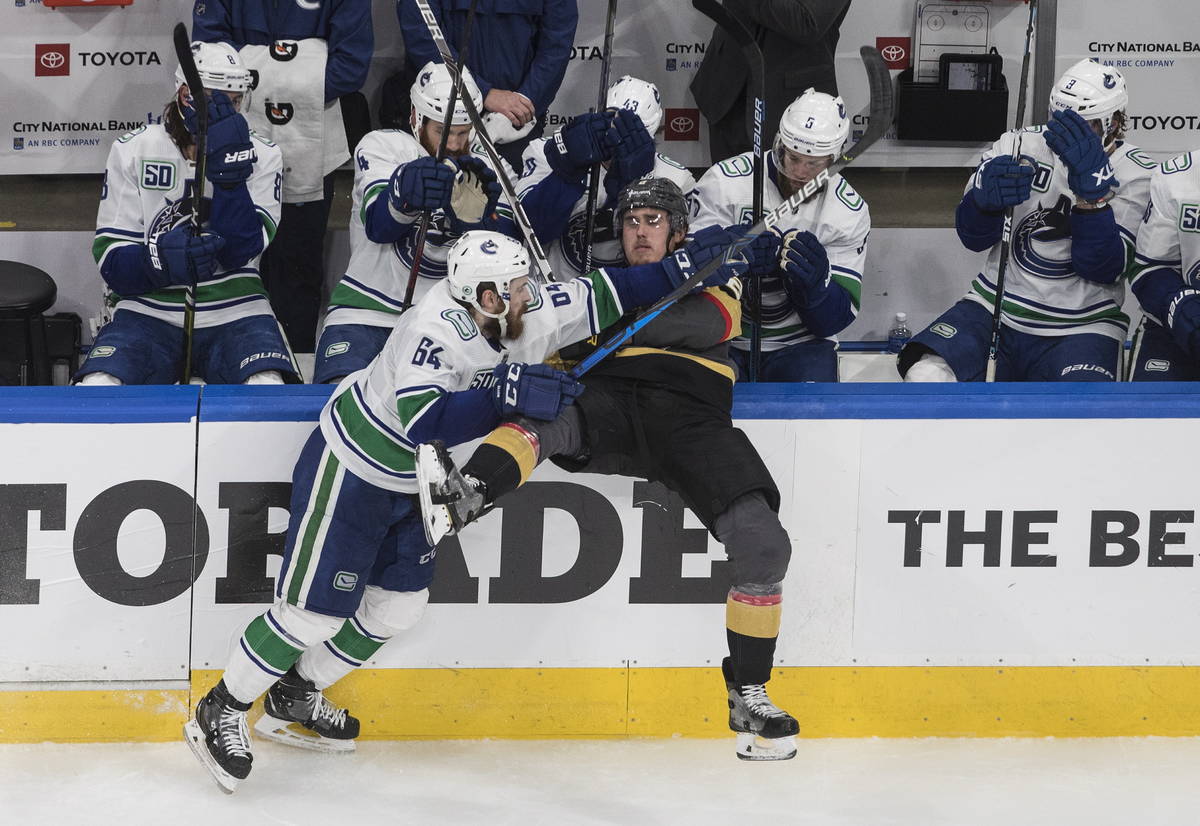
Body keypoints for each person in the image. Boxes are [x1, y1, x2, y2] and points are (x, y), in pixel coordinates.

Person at [183, 227, 748, 792]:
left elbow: (607, 292)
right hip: (355, 469)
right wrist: (505, 395)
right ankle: (220, 708)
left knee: (397, 609)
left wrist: (678, 272)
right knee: (312, 614)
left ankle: (296, 691)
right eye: (518, 289)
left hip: (416, 479)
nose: (531, 294)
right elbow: (423, 420)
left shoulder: (518, 307)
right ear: (486, 298)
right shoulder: (435, 330)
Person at [413, 177, 801, 761]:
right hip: (609, 401)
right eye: (630, 222)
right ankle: (467, 493)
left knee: (765, 546)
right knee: (544, 417)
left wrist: (601, 322)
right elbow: (541, 340)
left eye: (653, 221)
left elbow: (702, 325)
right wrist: (601, 315)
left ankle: (749, 690)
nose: (640, 232)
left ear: (678, 232)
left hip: (691, 416)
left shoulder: (718, 277)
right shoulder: (600, 287)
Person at [899, 59, 1154, 383]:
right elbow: (972, 238)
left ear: (1115, 122)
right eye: (1062, 121)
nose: (1068, 135)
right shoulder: (1017, 145)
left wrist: (1092, 199)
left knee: (1081, 412)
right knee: (925, 377)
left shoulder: (1137, 171)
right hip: (994, 307)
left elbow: (1103, 268)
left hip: (1083, 324)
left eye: (1084, 125)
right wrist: (983, 203)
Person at [77, 42, 296, 386]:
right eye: (217, 100)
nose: (229, 110)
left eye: (235, 101)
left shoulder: (264, 154)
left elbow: (242, 251)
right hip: (146, 310)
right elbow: (111, 260)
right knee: (99, 387)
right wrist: (158, 261)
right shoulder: (133, 149)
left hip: (238, 309)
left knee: (267, 386)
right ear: (184, 96)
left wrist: (229, 178)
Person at [194, 0, 373, 354]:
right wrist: (306, 58)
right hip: (229, 130)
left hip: (311, 145)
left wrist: (255, 65)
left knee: (298, 263)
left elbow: (349, 69)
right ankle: (232, 356)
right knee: (230, 257)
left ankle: (295, 358)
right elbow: (207, 56)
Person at [313, 62, 510, 384]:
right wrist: (405, 196)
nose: (455, 144)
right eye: (443, 132)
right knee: (340, 401)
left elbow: (509, 255)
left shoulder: (489, 166)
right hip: (366, 312)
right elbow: (379, 227)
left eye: (464, 132)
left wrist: (480, 225)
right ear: (416, 118)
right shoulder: (384, 146)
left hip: (448, 322)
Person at [691, 88, 869, 382]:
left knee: (813, 410)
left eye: (813, 164)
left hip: (801, 345)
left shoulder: (847, 211)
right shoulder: (726, 181)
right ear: (778, 146)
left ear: (834, 160)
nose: (799, 173)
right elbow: (686, 269)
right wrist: (733, 253)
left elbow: (836, 319)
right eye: (792, 158)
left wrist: (815, 288)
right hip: (722, 336)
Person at [517, 75, 697, 281]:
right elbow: (526, 232)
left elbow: (682, 259)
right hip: (557, 289)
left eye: (633, 131)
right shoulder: (548, 151)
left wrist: (637, 185)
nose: (620, 138)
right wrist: (565, 174)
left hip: (635, 299)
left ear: (652, 132)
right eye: (615, 123)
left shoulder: (678, 179)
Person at [397, 0, 578, 169]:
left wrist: (523, 103)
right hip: (442, 115)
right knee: (432, 195)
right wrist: (483, 92)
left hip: (514, 123)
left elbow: (557, 43)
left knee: (510, 199)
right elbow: (422, 34)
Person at [691, 0, 851, 165]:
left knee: (781, 186)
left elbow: (805, 23)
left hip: (789, 104)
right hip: (725, 89)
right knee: (724, 183)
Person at [1128, 149, 1200, 380]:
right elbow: (1149, 270)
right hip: (1177, 329)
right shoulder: (1176, 178)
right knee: (1147, 414)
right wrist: (1188, 317)